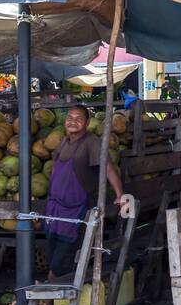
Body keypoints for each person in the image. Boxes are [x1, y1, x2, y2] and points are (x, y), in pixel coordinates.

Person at [43, 106, 125, 283]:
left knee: (63, 260)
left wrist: (120, 195)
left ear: (87, 123)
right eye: (70, 117)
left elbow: (108, 168)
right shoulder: (65, 141)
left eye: (78, 118)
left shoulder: (92, 142)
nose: (73, 121)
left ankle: (53, 293)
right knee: (52, 255)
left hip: (76, 211)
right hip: (56, 210)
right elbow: (55, 168)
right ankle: (51, 292)